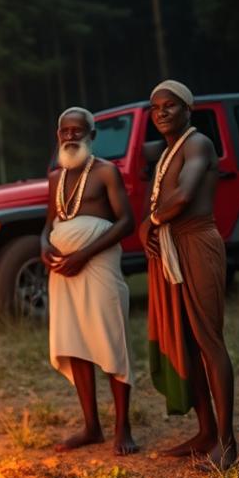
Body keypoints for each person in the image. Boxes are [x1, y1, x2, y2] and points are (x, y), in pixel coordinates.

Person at [140, 80, 236, 468]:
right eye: (155, 108)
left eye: (169, 106)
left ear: (187, 109)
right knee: (186, 340)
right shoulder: (166, 153)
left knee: (209, 340)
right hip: (171, 247)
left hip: (197, 243)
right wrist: (150, 226)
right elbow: (158, 202)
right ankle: (205, 431)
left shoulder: (198, 144)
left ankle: (227, 442)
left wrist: (150, 220)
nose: (160, 113)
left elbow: (181, 197)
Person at [41, 107, 137, 454]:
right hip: (63, 272)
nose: (70, 136)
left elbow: (126, 222)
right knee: (75, 342)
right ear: (58, 136)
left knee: (112, 339)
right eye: (64, 130)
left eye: (77, 130)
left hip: (97, 266)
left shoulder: (106, 172)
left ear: (91, 135)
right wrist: (43, 248)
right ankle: (91, 426)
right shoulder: (56, 178)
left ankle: (122, 428)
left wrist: (83, 254)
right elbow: (48, 225)